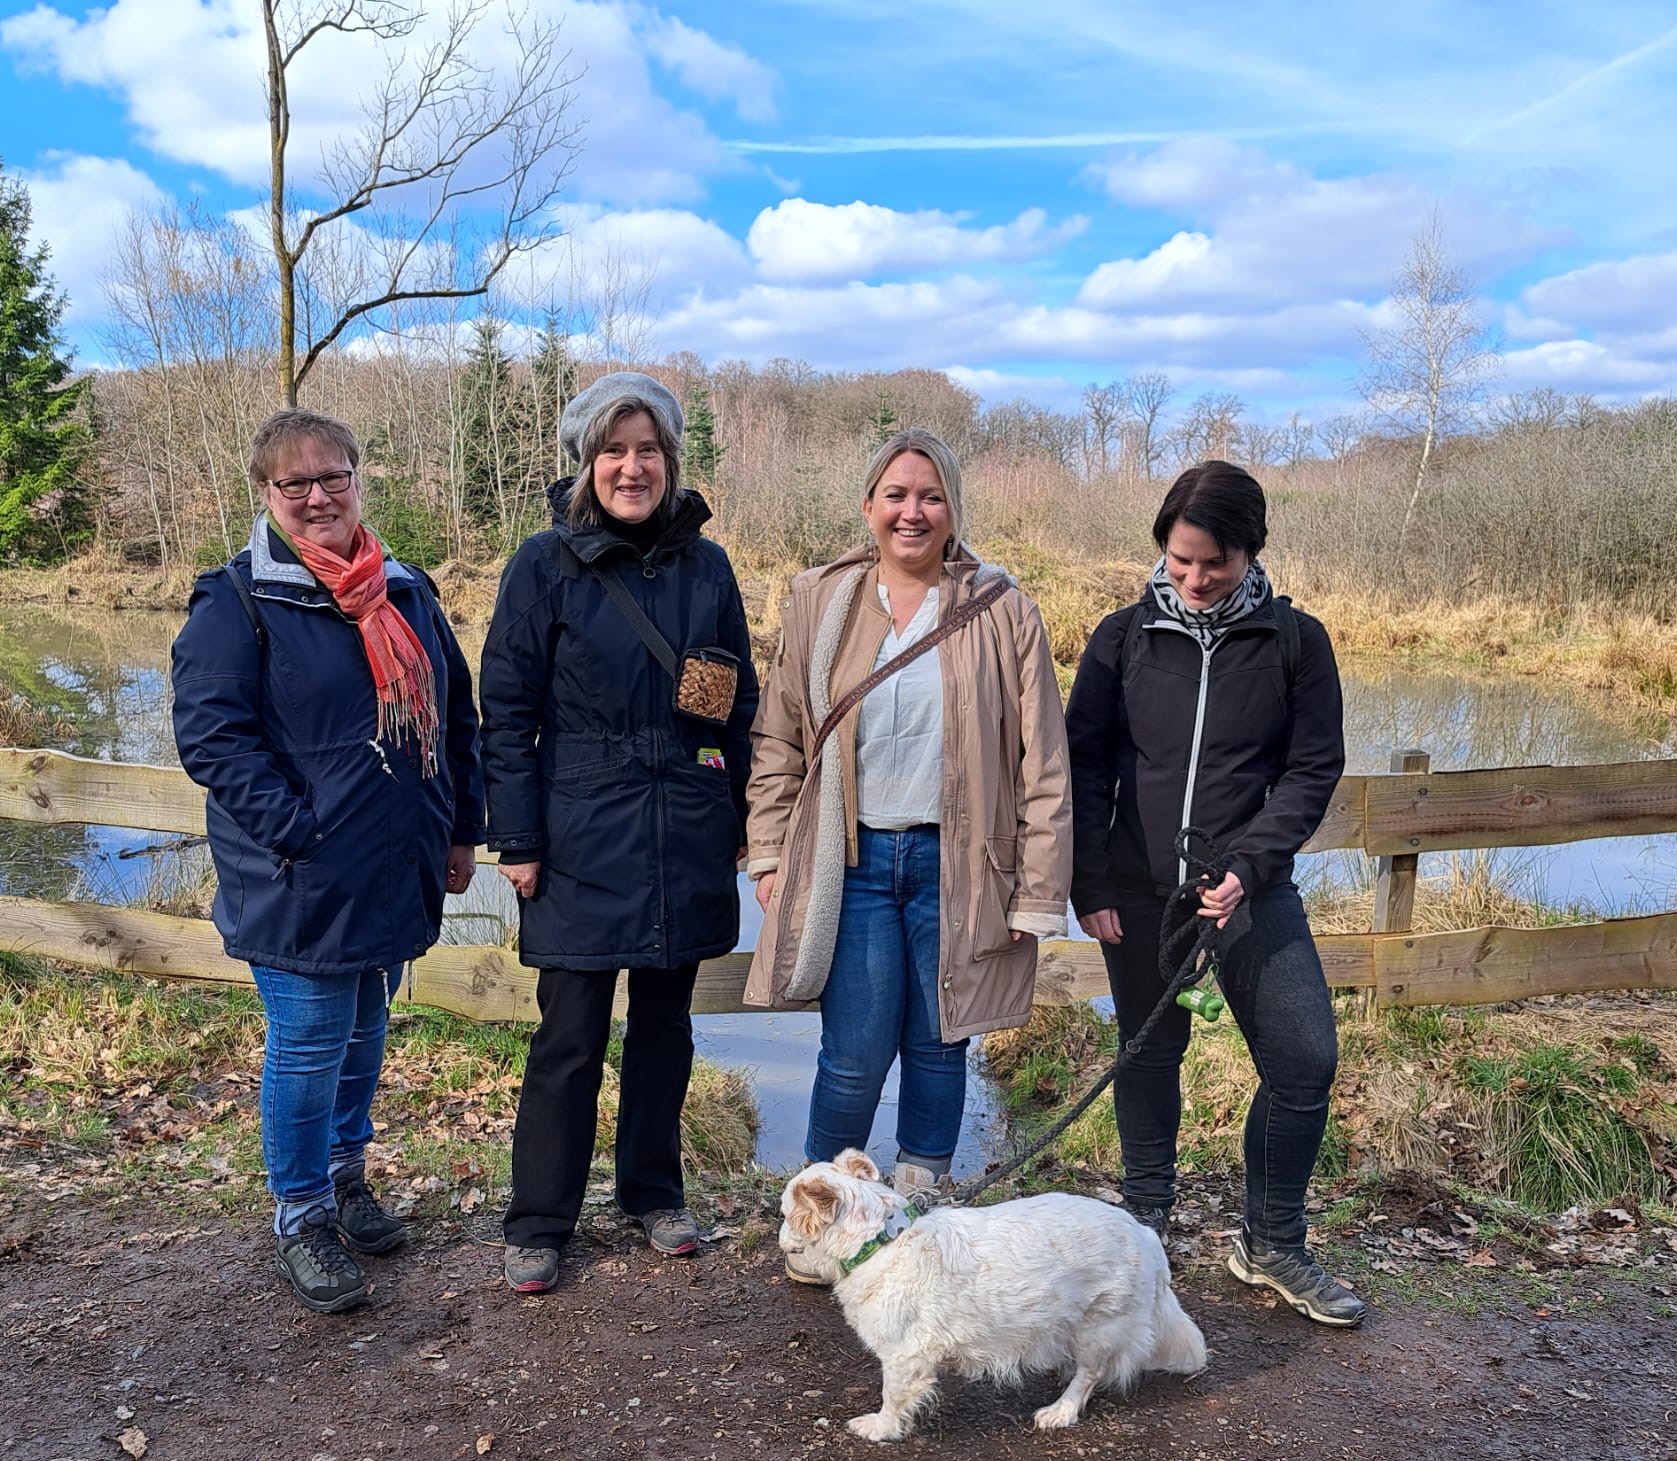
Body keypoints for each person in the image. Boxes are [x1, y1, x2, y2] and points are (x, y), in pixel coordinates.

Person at [171, 408, 483, 1314]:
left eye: (332, 476)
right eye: (294, 483)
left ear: (358, 477)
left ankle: (345, 1176)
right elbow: (213, 739)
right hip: (300, 874)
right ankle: (301, 1214)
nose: (317, 496)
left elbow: (453, 718)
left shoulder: (405, 589)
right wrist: (299, 830)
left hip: (395, 863)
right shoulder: (236, 599)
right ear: (267, 494)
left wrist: (460, 828)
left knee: (364, 1029)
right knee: (307, 1043)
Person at [744, 427, 1072, 1225]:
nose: (912, 513)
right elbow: (780, 735)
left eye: (930, 496)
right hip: (848, 864)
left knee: (939, 1044)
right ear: (868, 506)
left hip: (960, 866)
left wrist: (1036, 894)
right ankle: (819, 1216)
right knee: (852, 1058)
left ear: (954, 509)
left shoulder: (1002, 609)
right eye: (896, 495)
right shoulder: (821, 602)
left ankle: (919, 1211)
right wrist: (767, 852)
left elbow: (1045, 763)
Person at [1064, 458, 1364, 1327]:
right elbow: (1084, 763)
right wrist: (1089, 879)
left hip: (1250, 890)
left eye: (1215, 564)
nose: (1195, 580)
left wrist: (1251, 864)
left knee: (1305, 1059)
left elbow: (1312, 772)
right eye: (1181, 559)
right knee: (1149, 1055)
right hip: (1136, 889)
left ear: (1251, 553)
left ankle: (1270, 1243)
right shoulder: (1122, 638)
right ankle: (1144, 1224)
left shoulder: (1296, 644)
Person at [480, 371, 758, 1295]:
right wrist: (515, 840)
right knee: (570, 1038)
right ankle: (540, 1220)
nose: (631, 468)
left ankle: (653, 1192)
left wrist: (742, 818)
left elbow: (731, 706)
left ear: (671, 461)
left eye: (647, 451)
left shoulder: (706, 569)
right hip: (579, 833)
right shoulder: (543, 566)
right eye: (613, 451)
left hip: (685, 826)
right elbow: (506, 709)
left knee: (666, 1030)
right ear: (585, 463)